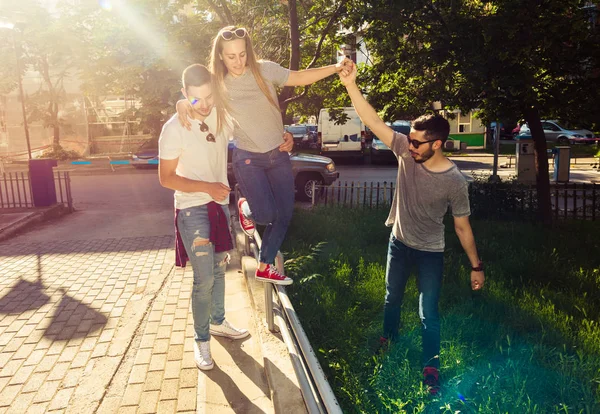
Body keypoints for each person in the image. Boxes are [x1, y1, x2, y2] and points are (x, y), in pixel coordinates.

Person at [338, 64, 485, 395]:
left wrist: (476, 266)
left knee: (427, 312)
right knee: (392, 298)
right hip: (399, 243)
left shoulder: (454, 181)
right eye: (411, 141)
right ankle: (388, 340)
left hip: (431, 252)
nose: (410, 146)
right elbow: (373, 121)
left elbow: (462, 228)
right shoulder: (406, 150)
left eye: (418, 143)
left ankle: (430, 367)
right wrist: (350, 85)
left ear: (437, 144)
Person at [177, 26, 352, 286]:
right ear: (221, 57)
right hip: (249, 159)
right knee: (266, 215)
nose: (238, 62)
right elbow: (197, 100)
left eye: (242, 54)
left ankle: (265, 264)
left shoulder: (264, 70)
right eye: (231, 56)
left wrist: (335, 67)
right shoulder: (218, 83)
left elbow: (300, 77)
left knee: (285, 214)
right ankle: (245, 208)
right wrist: (184, 104)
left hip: (278, 154)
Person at [159, 64, 249, 371]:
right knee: (204, 279)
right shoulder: (173, 127)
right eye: (195, 99)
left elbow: (250, 120)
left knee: (220, 270)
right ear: (184, 94)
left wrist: (284, 136)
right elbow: (166, 178)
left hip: (219, 206)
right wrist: (207, 187)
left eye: (209, 96)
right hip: (192, 208)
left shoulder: (220, 115)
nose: (204, 104)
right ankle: (201, 342)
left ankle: (218, 322)